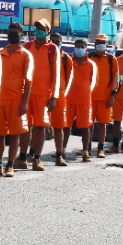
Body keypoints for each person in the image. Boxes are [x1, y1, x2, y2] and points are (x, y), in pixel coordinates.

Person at [0, 22, 32, 177]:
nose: (12, 34)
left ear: (21, 34)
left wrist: (24, 102)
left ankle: (10, 165)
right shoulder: (0, 53)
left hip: (16, 100)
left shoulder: (26, 55)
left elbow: (29, 81)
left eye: (16, 32)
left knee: (15, 134)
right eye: (10, 31)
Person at [21, 18, 59, 171]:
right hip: (26, 93)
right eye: (37, 28)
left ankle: (37, 158)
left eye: (42, 28)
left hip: (44, 95)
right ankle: (22, 157)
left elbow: (56, 75)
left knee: (40, 126)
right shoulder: (27, 46)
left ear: (48, 32)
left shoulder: (52, 49)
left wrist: (54, 97)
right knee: (25, 126)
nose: (39, 31)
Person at [65, 38, 97, 162]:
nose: (79, 49)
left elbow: (93, 82)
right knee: (66, 127)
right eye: (77, 46)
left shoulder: (91, 64)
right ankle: (62, 150)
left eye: (81, 47)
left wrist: (86, 93)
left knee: (85, 127)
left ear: (86, 48)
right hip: (69, 100)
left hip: (84, 100)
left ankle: (85, 152)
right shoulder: (69, 62)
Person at [88, 34, 119, 158]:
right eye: (98, 41)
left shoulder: (112, 59)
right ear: (95, 43)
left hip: (105, 98)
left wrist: (112, 95)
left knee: (103, 124)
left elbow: (116, 79)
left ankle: (100, 148)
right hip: (90, 97)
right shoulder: (89, 57)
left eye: (103, 42)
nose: (100, 44)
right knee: (88, 124)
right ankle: (87, 147)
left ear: (107, 44)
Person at [48, 31, 73, 165]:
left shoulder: (66, 58)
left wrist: (62, 95)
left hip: (59, 96)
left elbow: (69, 79)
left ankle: (60, 154)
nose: (54, 44)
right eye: (52, 41)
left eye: (57, 42)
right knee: (37, 126)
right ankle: (31, 153)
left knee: (59, 127)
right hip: (44, 94)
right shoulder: (44, 54)